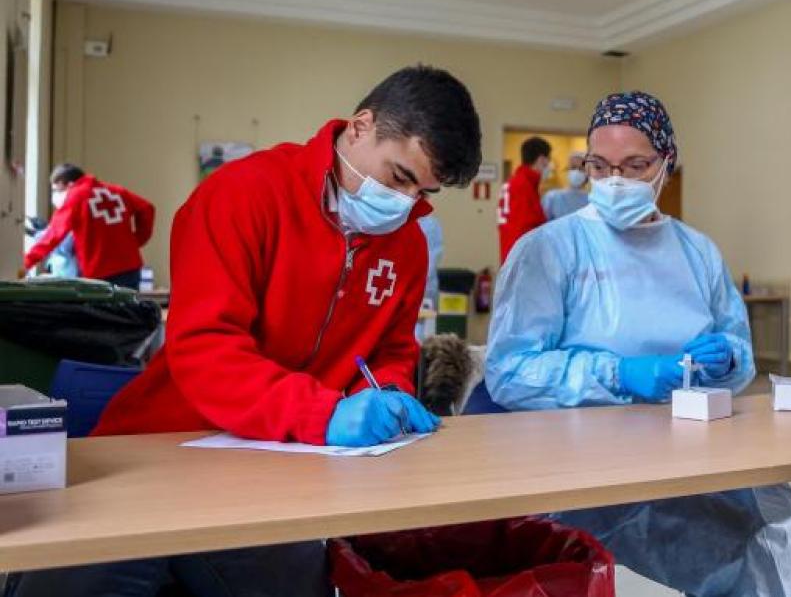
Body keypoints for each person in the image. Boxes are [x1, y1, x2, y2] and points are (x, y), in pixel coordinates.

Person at [16, 66, 482, 597]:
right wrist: (324, 414)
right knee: (74, 580)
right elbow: (205, 351)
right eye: (399, 178)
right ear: (360, 126)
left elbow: (391, 349)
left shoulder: (407, 245)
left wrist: (390, 394)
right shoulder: (243, 194)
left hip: (285, 469)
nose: (405, 204)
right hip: (166, 449)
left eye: (425, 192)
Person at [486, 92, 791, 597]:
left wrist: (728, 360)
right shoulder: (551, 249)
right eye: (600, 165)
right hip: (591, 465)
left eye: (635, 165)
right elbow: (508, 370)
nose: (614, 181)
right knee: (754, 559)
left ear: (665, 167)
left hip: (697, 446)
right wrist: (619, 373)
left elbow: (736, 347)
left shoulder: (696, 251)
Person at [21, 163, 154, 289]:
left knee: (101, 313)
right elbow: (147, 208)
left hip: (100, 271)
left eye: (56, 189)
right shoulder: (117, 191)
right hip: (130, 267)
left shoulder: (77, 196)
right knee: (128, 312)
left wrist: (26, 262)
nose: (55, 195)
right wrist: (136, 240)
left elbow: (54, 234)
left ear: (68, 184)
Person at [497, 135, 550, 263]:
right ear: (542, 159)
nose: (548, 165)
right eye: (548, 159)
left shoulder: (515, 182)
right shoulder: (523, 186)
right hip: (521, 261)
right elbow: (527, 228)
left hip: (510, 254)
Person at [540, 150, 590, 220]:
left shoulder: (591, 201)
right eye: (573, 168)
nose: (576, 172)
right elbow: (542, 227)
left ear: (588, 173)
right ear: (568, 169)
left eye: (581, 169)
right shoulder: (552, 197)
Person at [416, 213, 444, 339]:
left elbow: (428, 266)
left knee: (420, 337)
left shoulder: (428, 225)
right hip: (418, 291)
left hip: (423, 294)